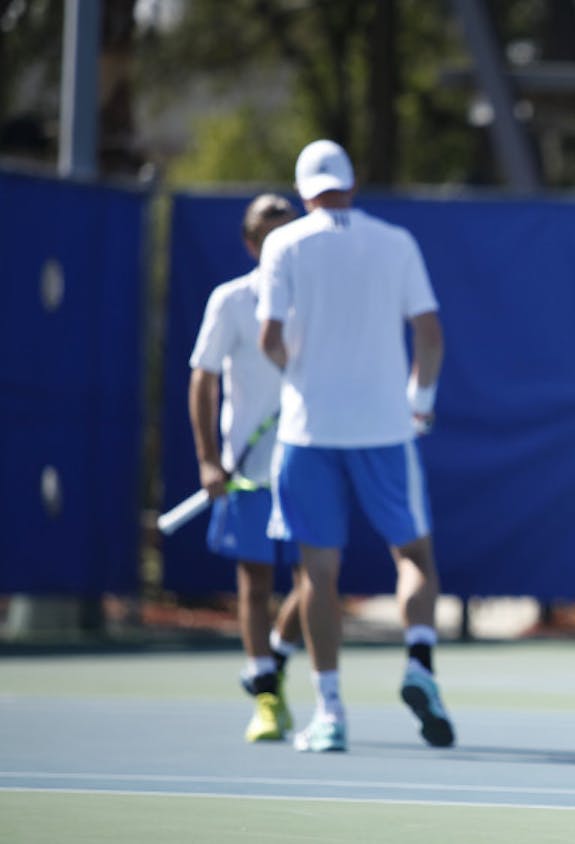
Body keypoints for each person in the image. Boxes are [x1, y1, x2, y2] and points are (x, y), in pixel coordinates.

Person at [257, 139, 452, 754]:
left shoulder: (282, 243)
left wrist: (300, 381)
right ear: (351, 183)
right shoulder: (396, 242)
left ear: (302, 190)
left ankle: (331, 712)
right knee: (415, 555)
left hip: (307, 432)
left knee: (318, 573)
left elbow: (268, 338)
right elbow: (430, 336)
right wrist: (420, 401)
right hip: (386, 429)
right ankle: (419, 663)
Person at [188, 193, 304, 743]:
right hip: (247, 469)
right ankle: (265, 697)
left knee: (316, 581)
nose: (280, 241)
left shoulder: (319, 299)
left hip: (310, 460)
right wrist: (209, 459)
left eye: (289, 230)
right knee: (254, 583)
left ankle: (272, 660)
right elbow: (203, 379)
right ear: (251, 244)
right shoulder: (230, 301)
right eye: (270, 233)